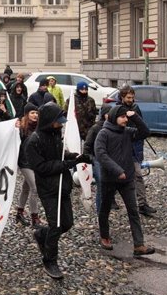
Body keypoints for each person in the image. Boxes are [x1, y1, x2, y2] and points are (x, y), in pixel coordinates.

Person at [25, 102, 88, 279]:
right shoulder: (33, 141)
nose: (61, 124)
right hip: (48, 189)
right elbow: (42, 167)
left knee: (67, 223)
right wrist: (67, 164)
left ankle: (41, 234)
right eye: (57, 121)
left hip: (63, 185)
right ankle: (50, 260)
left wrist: (75, 156)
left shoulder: (55, 134)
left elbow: (59, 155)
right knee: (56, 224)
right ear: (48, 121)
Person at [95, 105, 155, 257]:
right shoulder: (103, 133)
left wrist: (135, 116)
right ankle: (105, 236)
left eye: (126, 117)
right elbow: (101, 155)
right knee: (105, 208)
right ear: (115, 117)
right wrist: (117, 170)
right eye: (122, 117)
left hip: (127, 179)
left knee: (133, 211)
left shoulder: (127, 132)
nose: (125, 119)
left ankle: (139, 245)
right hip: (109, 179)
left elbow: (145, 132)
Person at [118, 85, 156, 217]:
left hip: (136, 147)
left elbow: (142, 126)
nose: (131, 100)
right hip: (123, 148)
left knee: (137, 176)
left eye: (132, 97)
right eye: (128, 97)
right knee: (124, 177)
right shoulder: (118, 109)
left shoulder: (135, 108)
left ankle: (141, 204)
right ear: (122, 97)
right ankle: (110, 200)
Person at [15, 102, 42, 228]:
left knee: (26, 188)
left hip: (35, 162)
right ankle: (34, 218)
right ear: (26, 114)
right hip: (24, 162)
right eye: (32, 113)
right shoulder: (21, 128)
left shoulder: (39, 127)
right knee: (35, 188)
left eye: (36, 113)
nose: (35, 115)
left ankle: (19, 212)